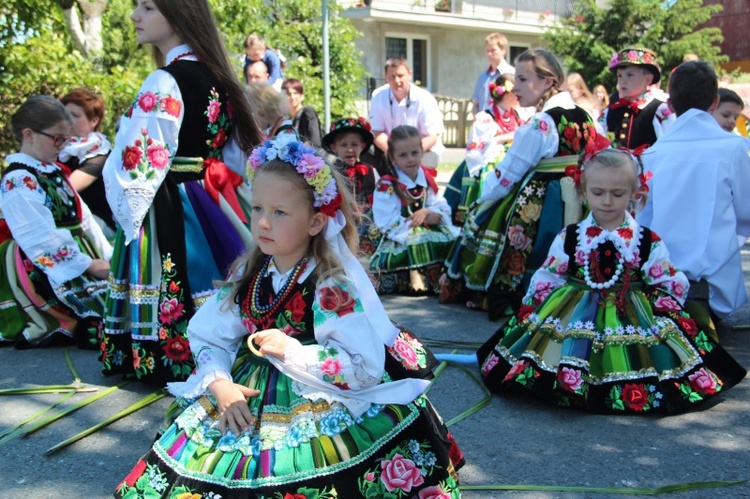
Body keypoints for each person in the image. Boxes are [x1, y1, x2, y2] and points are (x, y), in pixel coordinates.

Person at [114, 135, 464, 498]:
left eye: (279, 213)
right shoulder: (251, 274)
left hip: (317, 390)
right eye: (257, 208)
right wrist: (220, 384)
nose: (263, 223)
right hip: (248, 390)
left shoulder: (330, 286)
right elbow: (208, 335)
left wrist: (293, 351)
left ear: (315, 222)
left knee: (300, 465)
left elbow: (362, 364)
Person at [475, 148, 746, 414]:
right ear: (583, 192)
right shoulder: (570, 236)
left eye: (617, 194)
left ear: (634, 194)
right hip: (573, 309)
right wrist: (536, 307)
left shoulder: (646, 240)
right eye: (597, 192)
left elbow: (665, 277)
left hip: (631, 312)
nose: (607, 201)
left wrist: (666, 310)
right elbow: (550, 274)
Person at [100, 0, 262, 385]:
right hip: (208, 195)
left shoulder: (165, 80)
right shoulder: (218, 78)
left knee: (171, 273)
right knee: (214, 274)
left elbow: (136, 161)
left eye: (148, 7)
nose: (136, 16)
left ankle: (168, 353)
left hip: (166, 197)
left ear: (179, 14)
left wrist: (128, 217)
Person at [441, 49, 602, 318]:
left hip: (542, 203)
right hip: (577, 196)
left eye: (524, 79)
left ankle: (523, 294)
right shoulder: (586, 116)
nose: (515, 87)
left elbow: (508, 174)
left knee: (518, 245)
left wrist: (482, 200)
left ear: (548, 82)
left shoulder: (541, 123)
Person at [638, 61, 750, 324]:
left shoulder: (653, 153)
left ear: (671, 105)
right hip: (715, 279)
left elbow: (643, 220)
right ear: (715, 102)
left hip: (660, 275)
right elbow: (746, 212)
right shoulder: (733, 148)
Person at [0, 95, 111, 348]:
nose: (62, 146)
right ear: (29, 135)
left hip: (79, 253)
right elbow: (38, 237)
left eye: (67, 138)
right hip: (42, 261)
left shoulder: (55, 170)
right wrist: (88, 265)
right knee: (99, 317)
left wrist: (107, 255)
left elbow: (84, 220)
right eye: (57, 138)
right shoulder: (18, 179)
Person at [369, 125, 458, 295]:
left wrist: (429, 213)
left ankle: (443, 280)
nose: (410, 159)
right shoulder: (387, 185)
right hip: (398, 234)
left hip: (424, 227)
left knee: (453, 238)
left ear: (422, 152)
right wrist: (418, 220)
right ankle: (417, 281)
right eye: (403, 155)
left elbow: (440, 204)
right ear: (392, 158)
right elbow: (385, 221)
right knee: (421, 240)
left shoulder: (425, 178)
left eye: (415, 153)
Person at [445, 73, 522, 226]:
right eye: (516, 92)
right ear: (508, 94)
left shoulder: (517, 115)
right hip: (487, 166)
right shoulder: (485, 117)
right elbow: (482, 146)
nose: (520, 94)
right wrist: (510, 136)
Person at [369, 57, 445, 172]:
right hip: (390, 150)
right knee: (368, 151)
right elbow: (377, 132)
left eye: (400, 76)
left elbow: (432, 136)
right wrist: (395, 154)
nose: (397, 81)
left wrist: (410, 154)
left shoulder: (425, 98)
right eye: (392, 77)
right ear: (386, 77)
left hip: (420, 150)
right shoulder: (378, 95)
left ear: (410, 74)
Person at [59, 88, 116, 238]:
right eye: (64, 114)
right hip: (71, 218)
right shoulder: (60, 149)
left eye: (75, 115)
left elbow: (64, 190)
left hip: (99, 226)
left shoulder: (99, 155)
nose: (67, 121)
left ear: (94, 121)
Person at [599, 47, 674, 149]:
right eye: (619, 76)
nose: (622, 81)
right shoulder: (610, 111)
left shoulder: (659, 110)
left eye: (630, 75)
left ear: (648, 79)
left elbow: (669, 146)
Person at [471, 32, 515, 115]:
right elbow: (475, 104)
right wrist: (478, 119)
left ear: (503, 50)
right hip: (484, 123)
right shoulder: (483, 77)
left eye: (493, 50)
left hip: (505, 124)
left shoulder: (512, 73)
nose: (489, 54)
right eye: (487, 51)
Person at [282, 78, 322, 147]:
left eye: (296, 93)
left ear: (302, 96)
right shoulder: (287, 120)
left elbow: (315, 142)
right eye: (288, 94)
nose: (292, 97)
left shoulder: (307, 113)